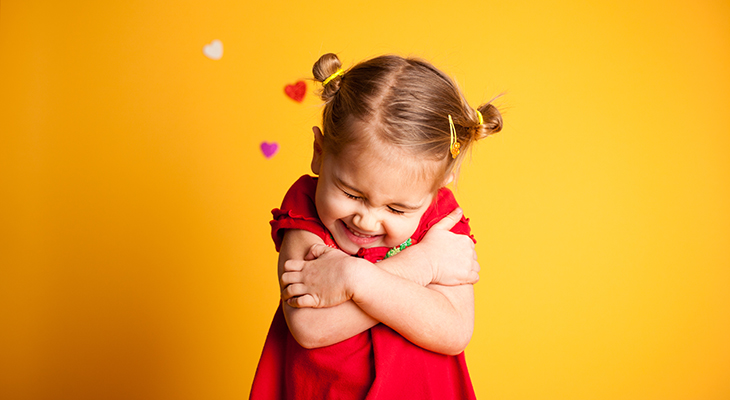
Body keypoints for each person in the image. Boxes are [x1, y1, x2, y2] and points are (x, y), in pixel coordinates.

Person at [250, 53, 503, 400]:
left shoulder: (440, 222)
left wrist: (356, 280)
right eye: (351, 193)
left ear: (436, 190)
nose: (366, 220)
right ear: (320, 152)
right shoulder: (307, 210)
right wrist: (418, 265)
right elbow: (309, 327)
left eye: (397, 209)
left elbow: (453, 330)